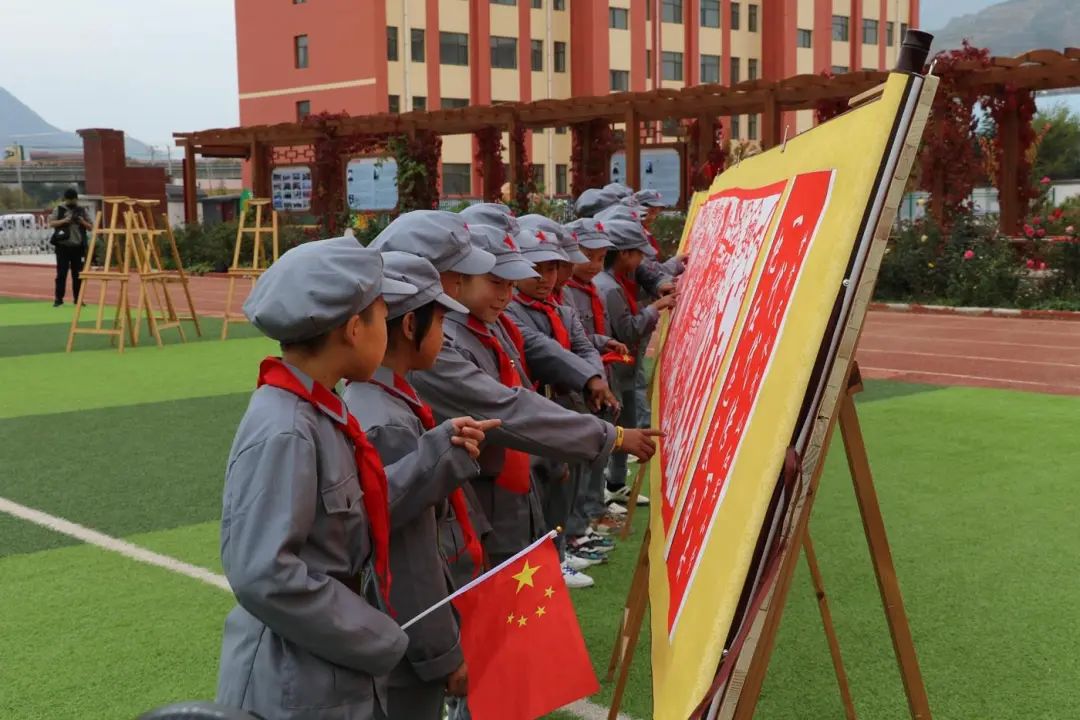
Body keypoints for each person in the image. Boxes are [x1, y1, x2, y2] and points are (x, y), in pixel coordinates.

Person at [216, 238, 491, 720]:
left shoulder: (316, 410)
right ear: (353, 329)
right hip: (296, 681)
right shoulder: (287, 429)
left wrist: (435, 454)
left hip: (324, 663)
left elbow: (355, 512)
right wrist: (380, 635)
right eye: (382, 313)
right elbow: (265, 574)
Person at [408, 226, 663, 585]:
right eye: (497, 282)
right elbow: (506, 406)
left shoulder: (489, 323)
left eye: (511, 283)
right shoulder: (447, 341)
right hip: (482, 491)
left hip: (514, 477)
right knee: (497, 587)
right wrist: (611, 436)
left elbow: (528, 377)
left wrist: (559, 445)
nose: (507, 294)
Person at [344, 252, 500, 720]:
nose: (446, 336)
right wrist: (441, 653)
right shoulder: (387, 422)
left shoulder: (392, 399)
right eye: (441, 322)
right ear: (411, 325)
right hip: (407, 640)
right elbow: (407, 557)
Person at [505, 230, 613, 578]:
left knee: (565, 485)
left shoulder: (560, 309)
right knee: (541, 490)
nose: (544, 278)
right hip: (534, 411)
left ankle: (560, 552)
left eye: (551, 269)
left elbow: (584, 348)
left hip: (567, 406)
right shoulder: (511, 311)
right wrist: (590, 378)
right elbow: (542, 349)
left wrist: (595, 378)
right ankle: (547, 560)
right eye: (535, 269)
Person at [593, 220, 676, 508]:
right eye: (638, 253)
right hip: (614, 371)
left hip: (623, 371)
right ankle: (598, 501)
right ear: (624, 254)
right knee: (613, 429)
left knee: (625, 426)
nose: (642, 260)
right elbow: (627, 330)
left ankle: (616, 485)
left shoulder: (618, 281)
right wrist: (655, 308)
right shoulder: (609, 288)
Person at [47, 188, 93, 307]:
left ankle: (78, 299)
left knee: (78, 275)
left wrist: (82, 221)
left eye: (73, 200)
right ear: (65, 199)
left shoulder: (82, 210)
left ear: (76, 199)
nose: (72, 202)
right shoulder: (59, 209)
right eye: (69, 200)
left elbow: (91, 227)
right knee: (61, 274)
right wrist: (65, 220)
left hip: (78, 247)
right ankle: (58, 299)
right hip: (63, 247)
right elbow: (51, 223)